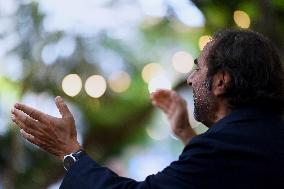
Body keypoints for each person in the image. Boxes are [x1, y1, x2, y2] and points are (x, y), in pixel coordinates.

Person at [11, 29, 284, 189]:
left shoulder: (225, 146)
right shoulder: (263, 133)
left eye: (198, 68)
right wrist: (186, 134)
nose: (190, 79)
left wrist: (68, 152)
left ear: (221, 81)